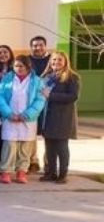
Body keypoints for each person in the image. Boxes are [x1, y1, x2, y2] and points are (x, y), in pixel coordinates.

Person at [0, 55, 46, 184]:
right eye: (16, 66)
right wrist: (8, 113)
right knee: (9, 145)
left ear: (28, 66)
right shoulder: (7, 79)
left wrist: (27, 115)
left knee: (25, 146)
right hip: (10, 118)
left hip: (28, 120)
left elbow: (40, 100)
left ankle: (21, 172)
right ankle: (6, 172)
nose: (18, 68)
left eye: (21, 66)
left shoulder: (37, 81)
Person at [40, 51, 80, 184]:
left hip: (63, 118)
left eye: (59, 60)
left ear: (65, 62)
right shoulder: (46, 77)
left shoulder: (72, 77)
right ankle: (50, 172)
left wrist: (51, 96)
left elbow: (73, 96)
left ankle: (63, 174)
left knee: (61, 147)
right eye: (54, 60)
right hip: (48, 117)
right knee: (49, 147)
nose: (56, 62)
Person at [28, 35, 51, 174]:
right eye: (35, 45)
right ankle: (32, 161)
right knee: (31, 133)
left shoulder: (52, 61)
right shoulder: (27, 60)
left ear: (45, 46)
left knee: (48, 134)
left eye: (40, 45)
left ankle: (48, 162)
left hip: (49, 103)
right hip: (31, 102)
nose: (38, 48)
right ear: (31, 47)